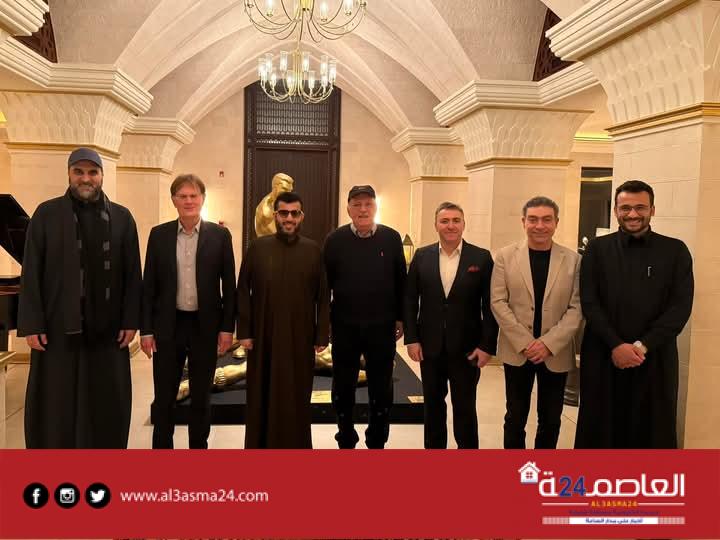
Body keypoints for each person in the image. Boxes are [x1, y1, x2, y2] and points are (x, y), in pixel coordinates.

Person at [17, 147, 142, 448]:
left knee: (105, 399)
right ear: (69, 174)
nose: (86, 179)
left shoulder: (122, 218)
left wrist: (130, 320)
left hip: (108, 331)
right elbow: (31, 271)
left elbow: (132, 275)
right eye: (79, 172)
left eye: (92, 172)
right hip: (58, 329)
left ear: (102, 175)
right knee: (57, 400)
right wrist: (32, 323)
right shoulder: (46, 215)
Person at [575, 180, 694, 449]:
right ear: (615, 211)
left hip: (654, 357)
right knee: (600, 429)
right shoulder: (597, 249)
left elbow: (679, 308)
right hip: (604, 354)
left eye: (640, 207)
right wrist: (616, 345)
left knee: (651, 429)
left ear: (652, 210)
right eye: (625, 208)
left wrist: (641, 346)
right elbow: (590, 302)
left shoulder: (675, 251)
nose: (632, 214)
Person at [141, 173, 236, 449]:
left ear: (202, 199)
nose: (188, 201)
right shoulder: (159, 235)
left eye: (193, 196)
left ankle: (198, 449)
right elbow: (149, 286)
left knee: (201, 396)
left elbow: (229, 286)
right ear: (173, 200)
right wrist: (146, 330)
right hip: (168, 326)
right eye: (182, 196)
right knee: (164, 396)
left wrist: (227, 328)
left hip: (204, 326)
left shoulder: (219, 236)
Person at [237, 191, 329, 448]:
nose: (289, 218)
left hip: (300, 336)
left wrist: (322, 334)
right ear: (275, 215)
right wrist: (244, 331)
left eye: (294, 213)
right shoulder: (257, 248)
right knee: (261, 393)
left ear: (301, 216)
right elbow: (242, 289)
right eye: (284, 213)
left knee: (296, 394)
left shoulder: (313, 250)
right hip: (263, 334)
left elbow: (323, 296)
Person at [490, 196, 583, 449]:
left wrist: (548, 344)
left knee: (551, 419)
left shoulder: (573, 260)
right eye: (533, 219)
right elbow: (498, 302)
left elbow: (576, 308)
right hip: (518, 351)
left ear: (556, 223)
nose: (539, 226)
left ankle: (543, 468)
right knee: (515, 417)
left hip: (556, 352)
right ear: (523, 222)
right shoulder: (505, 257)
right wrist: (526, 342)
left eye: (546, 220)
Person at [404, 202, 497, 449]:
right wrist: (411, 339)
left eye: (456, 220)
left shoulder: (481, 258)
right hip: (429, 347)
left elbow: (490, 306)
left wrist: (487, 346)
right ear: (436, 225)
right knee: (433, 405)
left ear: (464, 224)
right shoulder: (422, 256)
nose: (450, 226)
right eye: (444, 221)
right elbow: (410, 300)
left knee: (465, 407)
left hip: (467, 349)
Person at [324, 185, 406, 449]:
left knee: (381, 388)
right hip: (344, 326)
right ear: (348, 208)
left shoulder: (391, 238)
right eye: (357, 204)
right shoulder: (334, 240)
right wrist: (324, 322)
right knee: (343, 387)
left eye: (368, 204)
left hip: (382, 327)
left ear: (375, 207)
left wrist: (401, 318)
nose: (362, 210)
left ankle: (377, 439)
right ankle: (345, 436)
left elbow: (401, 282)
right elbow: (324, 286)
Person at [254, 172, 294, 237]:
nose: (288, 194)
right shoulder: (265, 210)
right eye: (284, 189)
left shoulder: (284, 204)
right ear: (275, 187)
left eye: (290, 190)